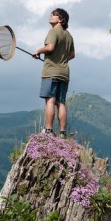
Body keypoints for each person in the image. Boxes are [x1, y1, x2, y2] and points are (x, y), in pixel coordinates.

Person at [31, 8, 75, 136]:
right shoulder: (69, 35)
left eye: (54, 15)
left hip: (51, 72)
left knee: (50, 101)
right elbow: (72, 55)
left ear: (61, 19)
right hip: (64, 73)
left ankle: (48, 130)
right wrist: (61, 60)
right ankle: (62, 133)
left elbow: (50, 47)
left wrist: (38, 51)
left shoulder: (53, 31)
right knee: (61, 102)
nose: (50, 16)